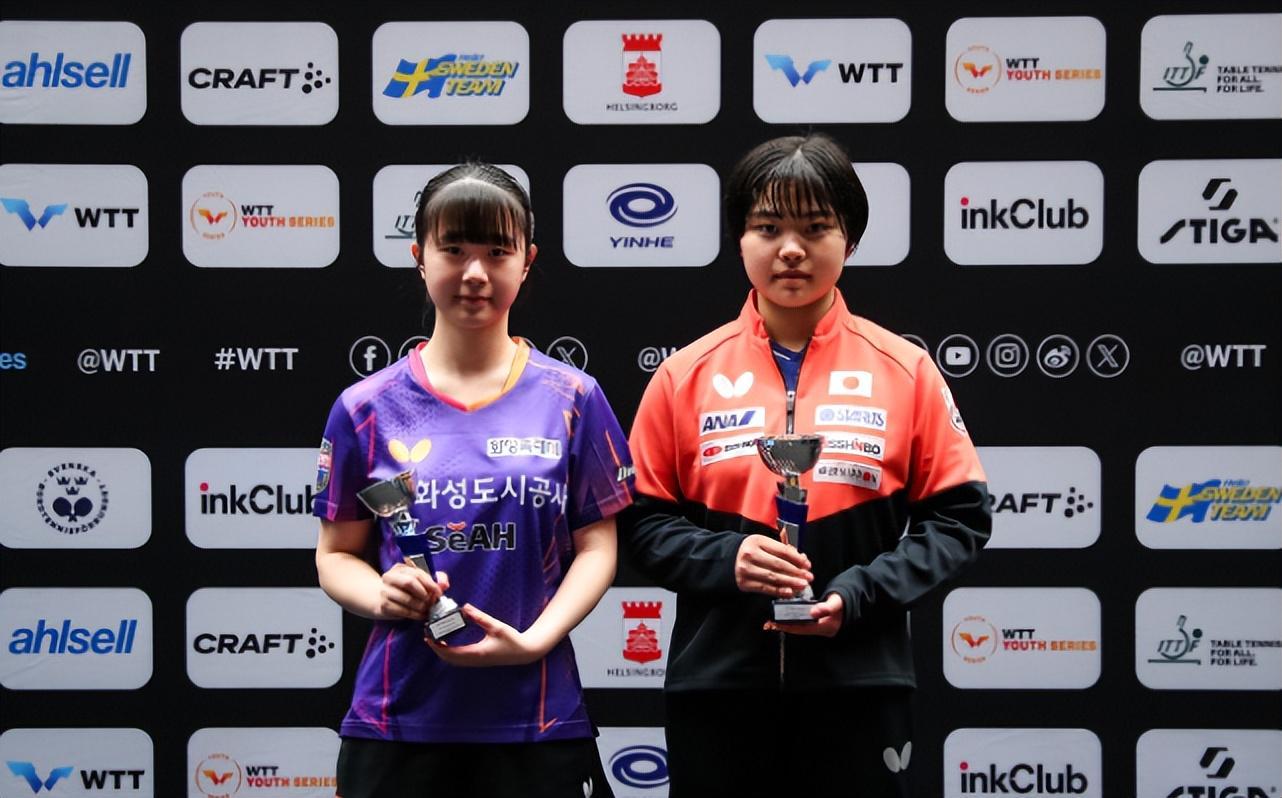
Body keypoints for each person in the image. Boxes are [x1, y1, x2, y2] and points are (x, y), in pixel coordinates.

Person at [622, 134, 991, 797]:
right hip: (719, 689)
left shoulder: (904, 370)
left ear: (849, 239)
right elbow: (641, 524)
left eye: (816, 228)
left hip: (859, 686)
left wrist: (860, 594)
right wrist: (727, 560)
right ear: (740, 239)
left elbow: (959, 519)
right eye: (768, 228)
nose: (790, 248)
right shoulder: (684, 376)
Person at [313, 162, 632, 798]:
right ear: (419, 257)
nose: (475, 272)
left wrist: (535, 641)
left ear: (527, 262)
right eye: (454, 249)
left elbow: (598, 547)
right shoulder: (364, 408)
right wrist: (382, 594)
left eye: (497, 252)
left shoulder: (573, 397)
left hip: (536, 719)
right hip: (398, 723)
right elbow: (335, 555)